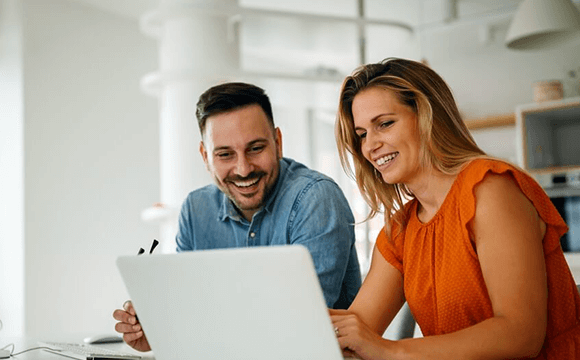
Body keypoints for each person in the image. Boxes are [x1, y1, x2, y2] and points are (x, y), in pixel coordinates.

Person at [330, 58, 580, 359]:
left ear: (428, 117)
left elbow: (520, 334)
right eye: (362, 135)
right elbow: (356, 331)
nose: (370, 145)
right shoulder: (401, 230)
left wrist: (391, 352)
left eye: (384, 124)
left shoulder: (490, 190)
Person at [113, 82, 362, 352]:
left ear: (278, 143)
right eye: (225, 154)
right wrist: (158, 330)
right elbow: (191, 310)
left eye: (255, 148)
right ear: (205, 156)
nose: (243, 169)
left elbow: (300, 331)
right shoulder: (196, 210)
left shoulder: (316, 199)